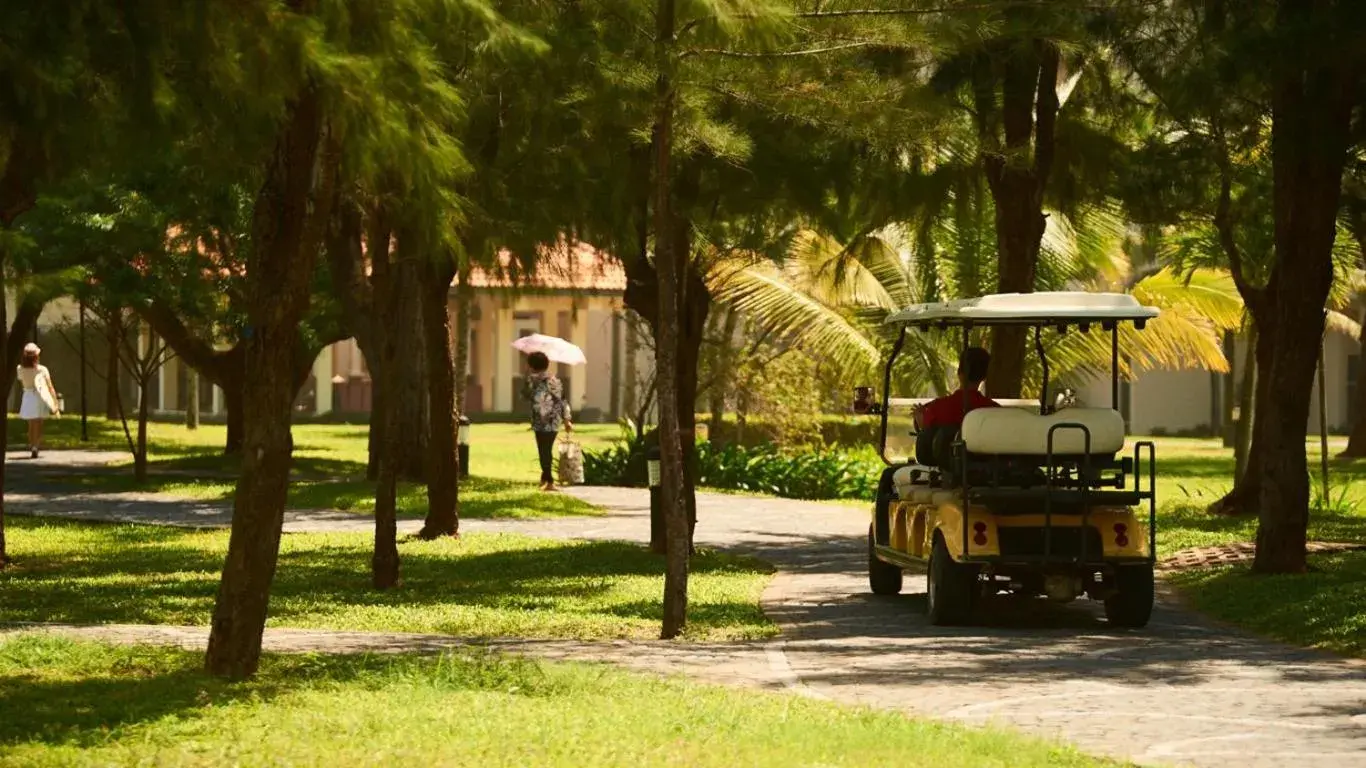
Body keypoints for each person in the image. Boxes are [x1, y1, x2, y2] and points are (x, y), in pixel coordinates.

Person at [914, 346, 999, 431]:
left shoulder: (936, 408)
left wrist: (921, 420)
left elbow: (926, 433)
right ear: (984, 377)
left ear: (959, 372)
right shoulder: (994, 410)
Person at [521, 351, 572, 491]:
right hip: (554, 420)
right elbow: (563, 401)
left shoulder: (531, 381)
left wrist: (526, 378)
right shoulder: (554, 380)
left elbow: (524, 396)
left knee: (544, 450)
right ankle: (545, 478)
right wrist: (567, 419)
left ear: (531, 365)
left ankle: (549, 481)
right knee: (546, 449)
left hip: (539, 420)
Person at [17, 342, 60, 458]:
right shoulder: (42, 369)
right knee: (39, 422)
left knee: (31, 424)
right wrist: (54, 401)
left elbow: (22, 381)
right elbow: (49, 386)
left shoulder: (20, 369)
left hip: (27, 395)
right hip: (40, 395)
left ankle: (33, 446)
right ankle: (36, 445)